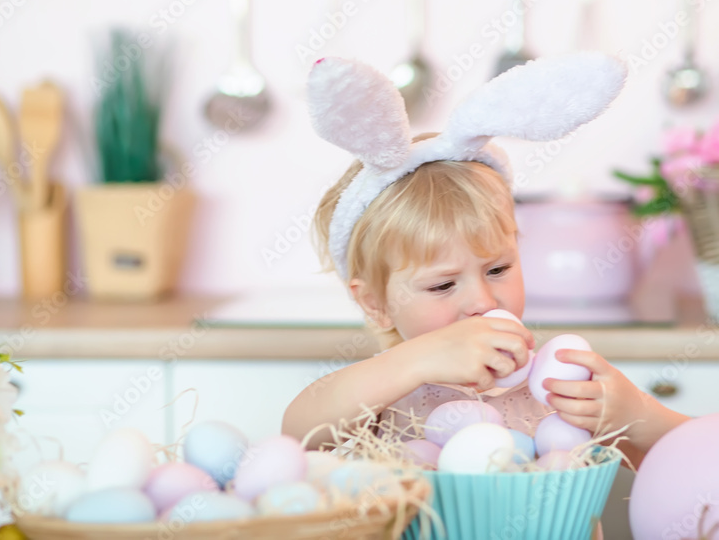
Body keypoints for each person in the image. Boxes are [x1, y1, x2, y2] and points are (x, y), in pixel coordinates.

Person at [282, 54, 689, 470]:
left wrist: (637, 415)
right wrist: (416, 360)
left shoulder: (554, 387)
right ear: (375, 303)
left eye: (497, 269)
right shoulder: (386, 395)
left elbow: (695, 455)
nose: (482, 300)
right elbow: (297, 433)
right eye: (442, 285)